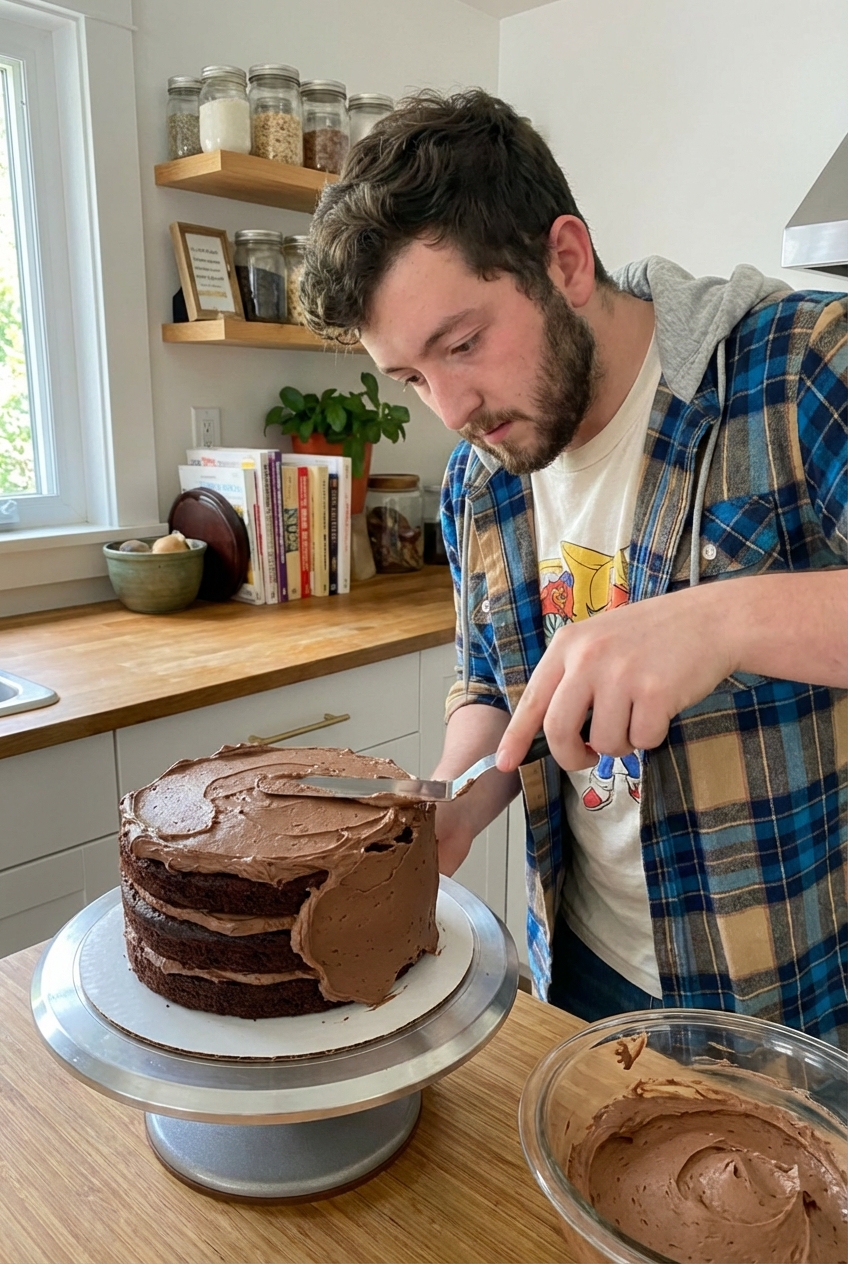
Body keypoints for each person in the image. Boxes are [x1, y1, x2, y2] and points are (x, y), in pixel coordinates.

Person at [299, 90, 848, 1049]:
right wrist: (457, 789)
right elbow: (491, 675)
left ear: (565, 258)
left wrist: (722, 621)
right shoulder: (482, 477)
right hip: (581, 971)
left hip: (792, 991)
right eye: (413, 379)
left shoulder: (798, 368)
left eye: (463, 344)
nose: (453, 407)